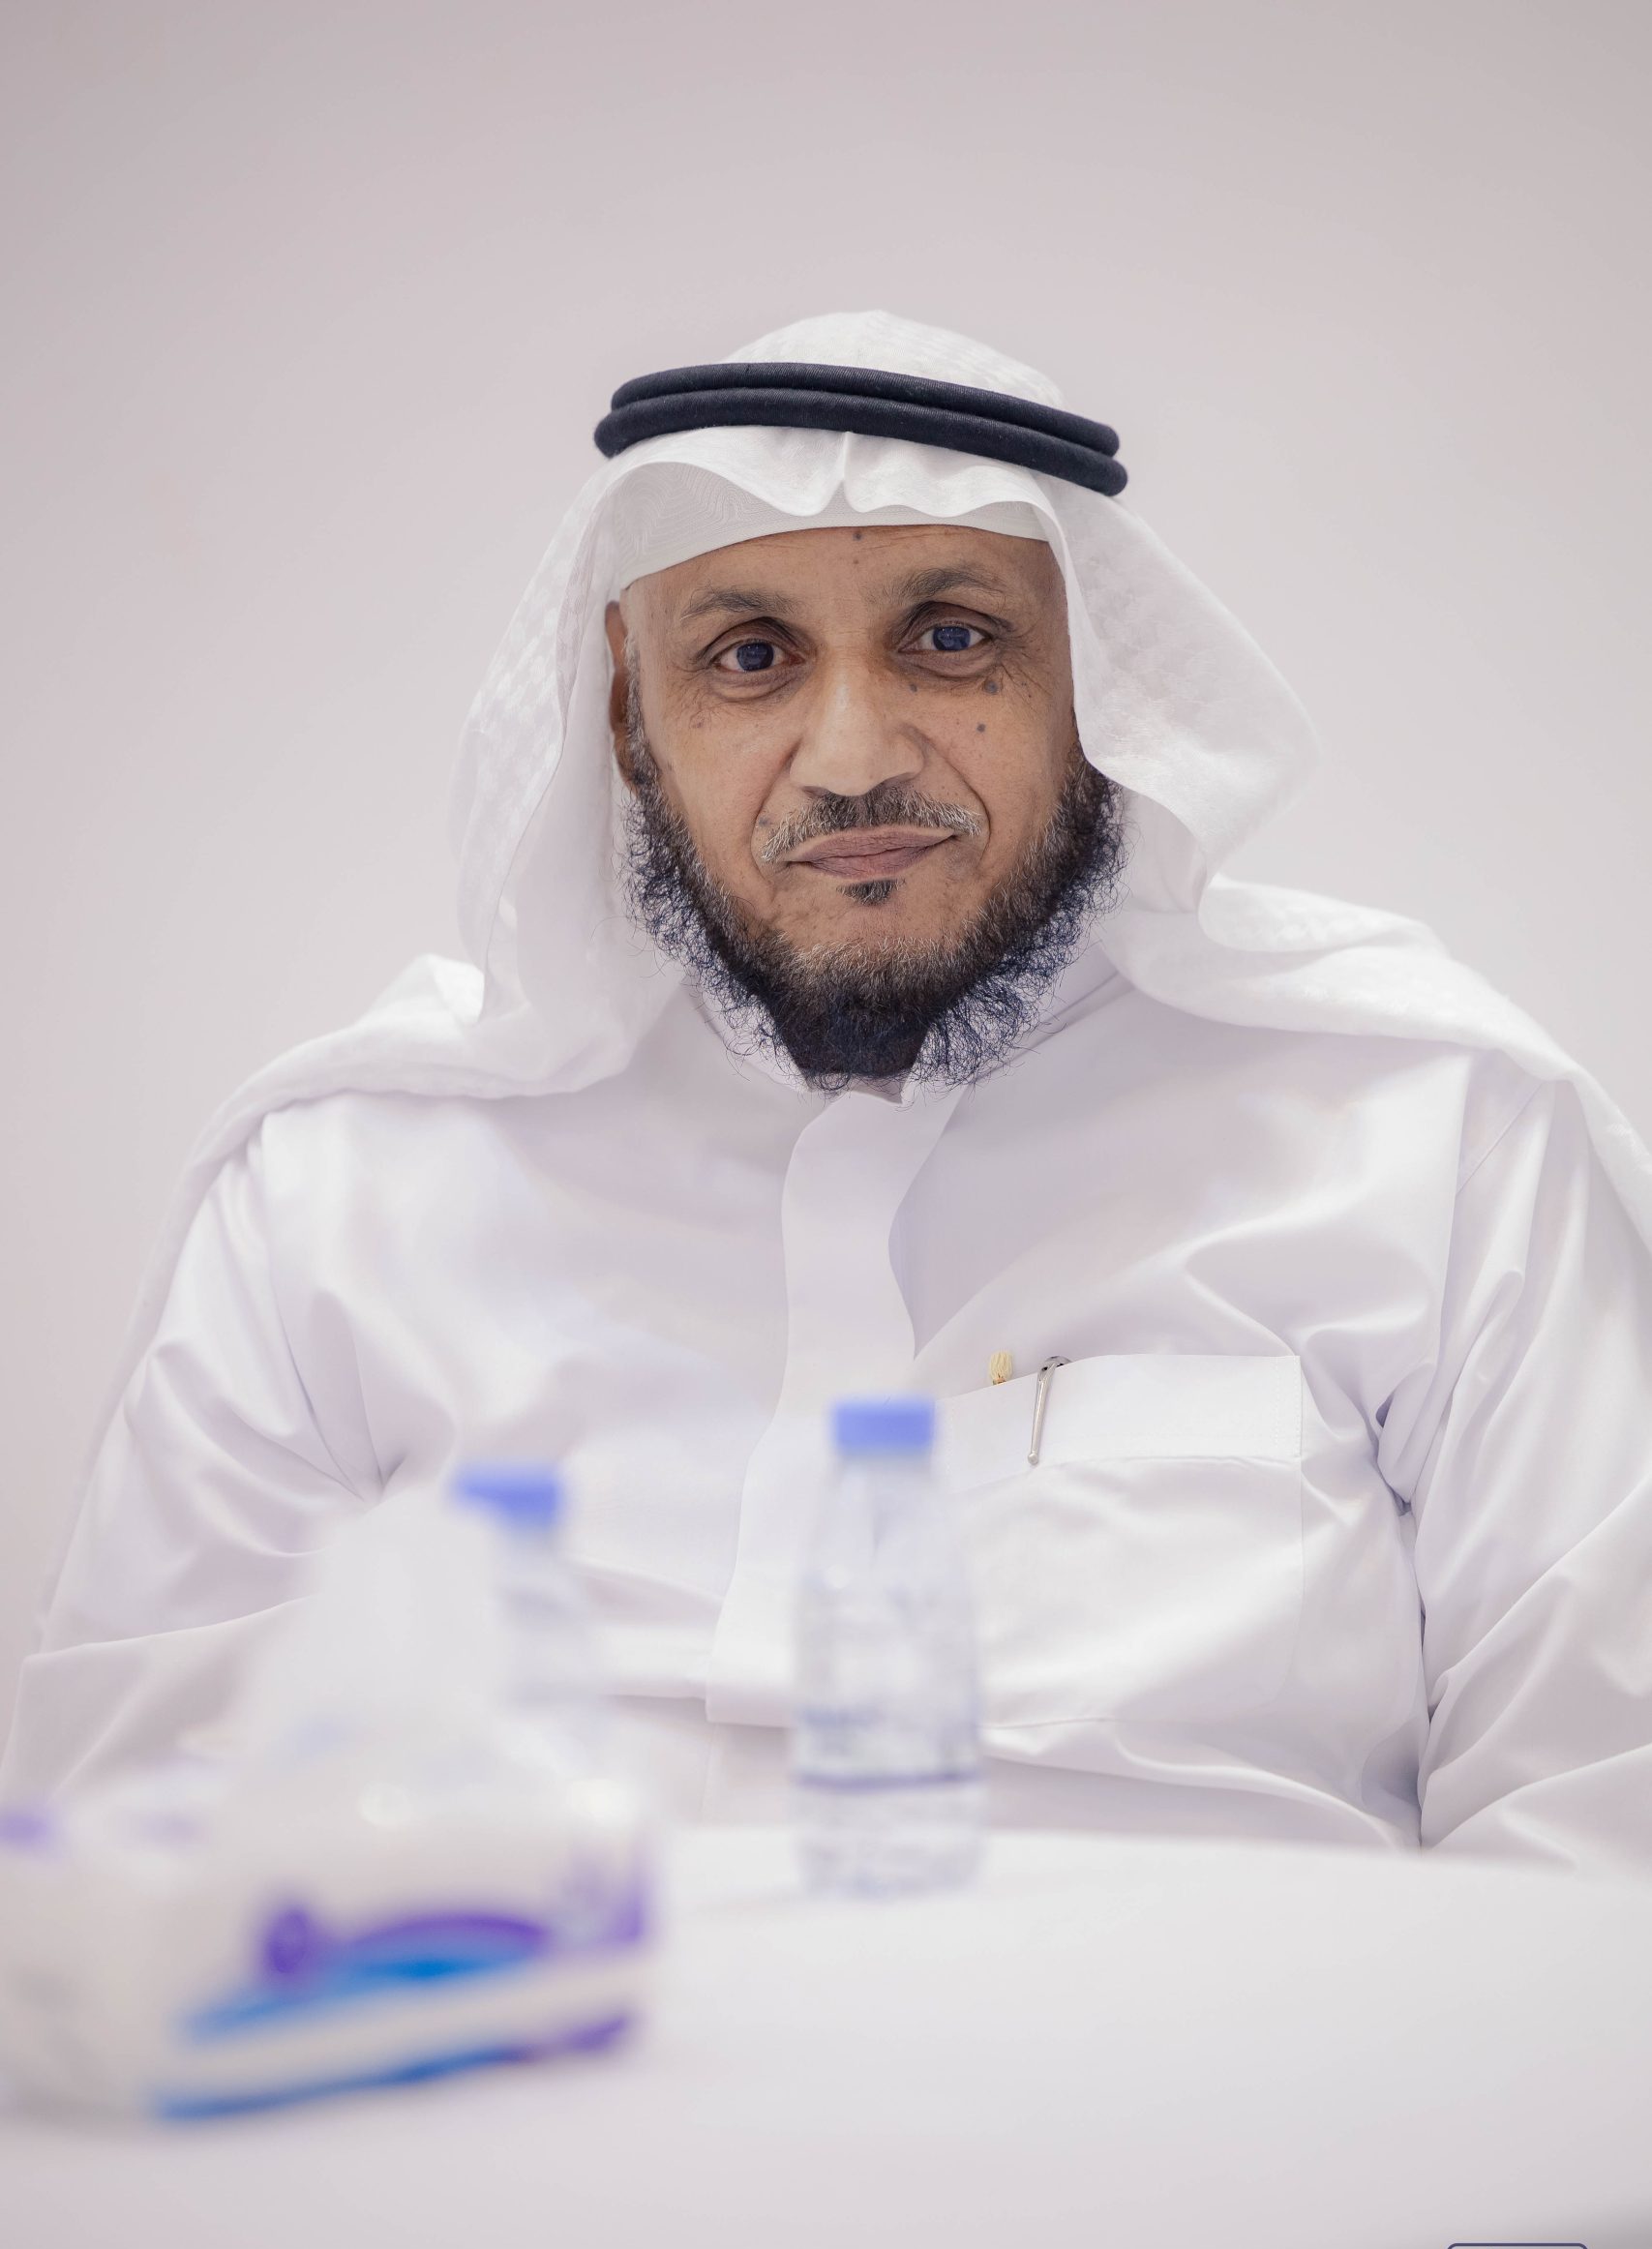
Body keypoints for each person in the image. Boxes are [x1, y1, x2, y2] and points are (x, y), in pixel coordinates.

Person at [7, 310, 1650, 1870]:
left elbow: (1599, 1849)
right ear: (630, 719)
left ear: (1099, 690)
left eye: (952, 639)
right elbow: (140, 1848)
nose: (855, 755)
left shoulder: (1435, 1138)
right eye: (750, 655)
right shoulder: (342, 1192)